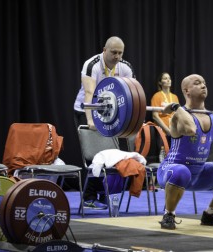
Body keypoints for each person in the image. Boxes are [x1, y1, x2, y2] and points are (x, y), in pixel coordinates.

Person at [157, 74, 213, 229]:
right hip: (171, 171)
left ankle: (211, 213)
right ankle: (169, 214)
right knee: (182, 171)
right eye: (197, 83)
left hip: (199, 174)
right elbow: (191, 129)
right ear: (186, 91)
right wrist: (177, 107)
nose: (203, 86)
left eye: (204, 83)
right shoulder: (178, 115)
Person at [73, 36, 135, 208]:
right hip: (86, 110)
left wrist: (133, 122)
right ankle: (89, 197)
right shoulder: (92, 64)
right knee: (95, 154)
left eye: (120, 53)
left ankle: (100, 195)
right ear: (104, 50)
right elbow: (89, 93)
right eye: (113, 52)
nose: (117, 56)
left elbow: (133, 95)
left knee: (110, 155)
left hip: (111, 114)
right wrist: (91, 120)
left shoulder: (126, 67)